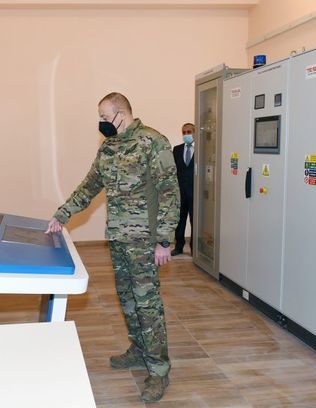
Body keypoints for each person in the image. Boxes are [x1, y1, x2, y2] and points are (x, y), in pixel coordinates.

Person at [45, 92, 180, 402]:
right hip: (118, 239)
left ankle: (159, 370)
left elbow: (170, 192)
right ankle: (138, 350)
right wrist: (62, 214)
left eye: (105, 117)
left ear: (122, 114)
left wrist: (164, 240)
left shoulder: (152, 142)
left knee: (147, 305)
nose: (102, 123)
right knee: (128, 300)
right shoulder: (109, 148)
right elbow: (89, 186)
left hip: (144, 241)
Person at [171, 123, 195, 256]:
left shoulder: (202, 149)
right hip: (180, 192)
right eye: (184, 132)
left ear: (195, 133)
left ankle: (194, 248)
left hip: (195, 193)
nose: (186, 134)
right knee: (179, 220)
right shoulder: (177, 149)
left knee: (195, 220)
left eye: (189, 132)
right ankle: (178, 246)